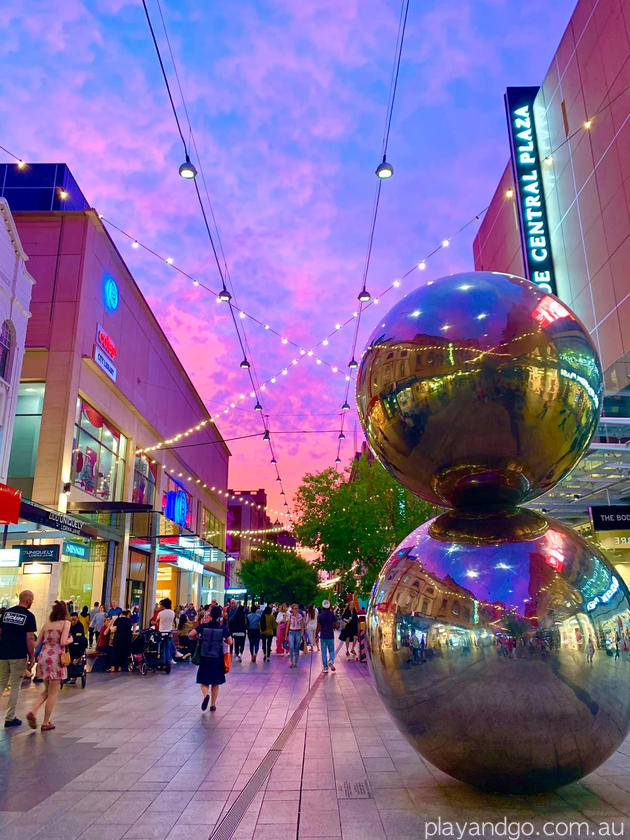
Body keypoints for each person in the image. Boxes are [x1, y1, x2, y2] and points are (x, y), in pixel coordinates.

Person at [27, 601, 71, 731]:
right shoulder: (65, 623)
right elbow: (63, 641)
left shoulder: (47, 624)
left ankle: (33, 711)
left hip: (44, 657)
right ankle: (46, 722)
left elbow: (36, 643)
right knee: (53, 693)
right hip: (56, 658)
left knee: (46, 690)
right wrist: (70, 640)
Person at [0, 590, 36, 728]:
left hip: (3, 654)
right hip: (18, 655)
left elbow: (1, 632)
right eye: (32, 600)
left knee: (1, 683)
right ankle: (10, 718)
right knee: (15, 686)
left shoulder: (7, 613)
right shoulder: (29, 616)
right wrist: (32, 656)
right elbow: (30, 638)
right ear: (27, 600)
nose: (32, 602)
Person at [189, 605, 232, 711]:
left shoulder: (203, 626)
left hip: (205, 657)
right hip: (217, 658)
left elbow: (191, 634)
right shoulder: (222, 628)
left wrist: (198, 638)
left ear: (211, 615)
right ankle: (212, 705)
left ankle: (205, 696)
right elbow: (230, 642)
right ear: (220, 616)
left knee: (204, 681)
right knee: (215, 683)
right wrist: (223, 640)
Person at [317, 600, 338, 674]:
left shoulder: (320, 616)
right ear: (329, 606)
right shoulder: (332, 615)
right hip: (330, 635)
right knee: (331, 650)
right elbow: (336, 625)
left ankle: (325, 667)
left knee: (323, 652)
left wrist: (316, 634)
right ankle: (331, 660)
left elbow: (318, 626)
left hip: (323, 635)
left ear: (323, 607)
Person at [287, 603, 306, 669]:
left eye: (297, 608)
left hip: (298, 632)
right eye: (294, 608)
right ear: (292, 609)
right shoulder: (290, 616)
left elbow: (302, 626)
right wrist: (286, 634)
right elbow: (288, 625)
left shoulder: (300, 616)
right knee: (291, 647)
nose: (296, 610)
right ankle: (291, 661)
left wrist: (302, 634)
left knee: (297, 647)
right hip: (291, 632)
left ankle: (296, 662)